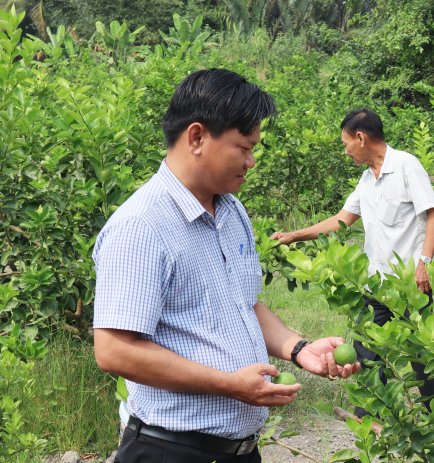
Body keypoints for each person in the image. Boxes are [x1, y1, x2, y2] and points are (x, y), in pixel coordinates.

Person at [93, 69, 360, 463]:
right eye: (243, 147)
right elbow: (114, 351)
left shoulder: (231, 210)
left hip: (238, 451)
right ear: (197, 137)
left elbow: (243, 304)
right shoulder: (141, 226)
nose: (251, 161)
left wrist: (299, 348)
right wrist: (230, 385)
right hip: (171, 450)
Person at [269, 108, 434, 418]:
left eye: (345, 142)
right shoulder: (366, 179)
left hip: (407, 283)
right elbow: (341, 220)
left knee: (421, 350)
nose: (345, 149)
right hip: (374, 281)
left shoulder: (406, 166)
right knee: (365, 347)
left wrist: (424, 263)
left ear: (361, 138)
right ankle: (369, 416)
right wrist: (295, 235)